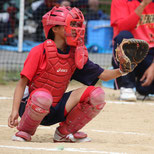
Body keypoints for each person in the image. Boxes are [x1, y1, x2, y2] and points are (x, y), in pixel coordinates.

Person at [8, 6, 136, 143]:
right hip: (32, 106)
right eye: (71, 24)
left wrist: (123, 70)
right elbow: (21, 84)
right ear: (54, 29)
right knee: (43, 96)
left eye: (77, 24)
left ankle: (64, 132)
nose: (76, 29)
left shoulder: (75, 54)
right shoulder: (39, 51)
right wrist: (14, 111)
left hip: (57, 107)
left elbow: (103, 75)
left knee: (97, 94)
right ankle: (25, 130)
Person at [111, 0, 154, 101]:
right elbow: (123, 27)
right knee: (124, 36)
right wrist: (143, 5)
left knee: (145, 89)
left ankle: (144, 90)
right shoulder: (120, 1)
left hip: (151, 54)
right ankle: (127, 87)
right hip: (131, 50)